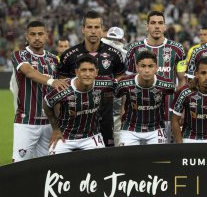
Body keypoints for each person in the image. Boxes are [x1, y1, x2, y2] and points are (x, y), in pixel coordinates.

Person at [58, 10, 126, 147]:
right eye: (89, 27)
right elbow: (60, 89)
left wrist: (122, 108)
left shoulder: (115, 54)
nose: (93, 31)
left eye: (97, 27)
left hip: (105, 118)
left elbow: (122, 83)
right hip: (74, 120)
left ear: (102, 30)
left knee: (105, 159)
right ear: (83, 29)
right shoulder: (68, 56)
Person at [124, 11, 186, 142]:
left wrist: (182, 109)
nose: (157, 26)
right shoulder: (134, 49)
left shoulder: (177, 49)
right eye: (153, 23)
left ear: (165, 26)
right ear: (147, 26)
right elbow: (127, 84)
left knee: (164, 157)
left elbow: (182, 81)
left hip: (169, 113)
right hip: (137, 117)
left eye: (160, 23)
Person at [11, 20, 68, 162]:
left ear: (46, 36)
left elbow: (58, 94)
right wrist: (52, 81)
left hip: (49, 124)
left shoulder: (54, 60)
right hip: (26, 122)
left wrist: (58, 125)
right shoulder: (20, 55)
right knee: (19, 165)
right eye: (33, 34)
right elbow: (29, 72)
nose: (37, 37)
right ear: (26, 36)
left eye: (40, 34)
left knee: (46, 167)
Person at [43, 54, 115, 154]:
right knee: (53, 165)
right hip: (65, 136)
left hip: (91, 136)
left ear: (96, 72)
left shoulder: (105, 83)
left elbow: (124, 86)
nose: (87, 74)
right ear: (77, 72)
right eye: (83, 70)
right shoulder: (63, 88)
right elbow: (46, 103)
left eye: (91, 70)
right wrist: (55, 129)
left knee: (99, 165)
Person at [115, 50, 175, 146]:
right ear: (137, 67)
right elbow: (116, 96)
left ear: (156, 68)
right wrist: (122, 109)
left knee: (160, 160)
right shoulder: (124, 83)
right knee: (125, 159)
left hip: (156, 128)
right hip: (130, 128)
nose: (147, 70)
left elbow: (180, 97)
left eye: (150, 66)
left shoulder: (166, 84)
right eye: (143, 66)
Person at [101, 26, 128, 148]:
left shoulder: (99, 48)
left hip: (104, 94)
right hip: (116, 94)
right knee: (116, 128)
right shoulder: (125, 53)